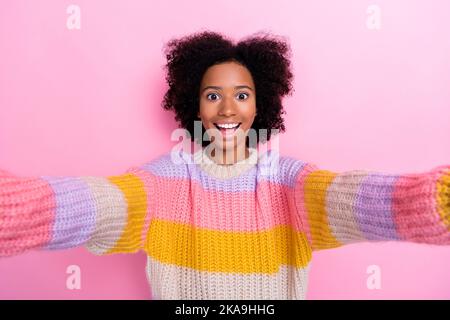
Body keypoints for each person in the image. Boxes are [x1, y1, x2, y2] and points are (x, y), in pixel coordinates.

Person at [0, 30, 449, 300]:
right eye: (213, 95)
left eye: (242, 94)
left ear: (261, 104)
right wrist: (17, 212)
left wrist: (435, 200)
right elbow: (104, 202)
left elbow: (353, 199)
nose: (227, 109)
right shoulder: (167, 177)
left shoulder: (288, 181)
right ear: (194, 104)